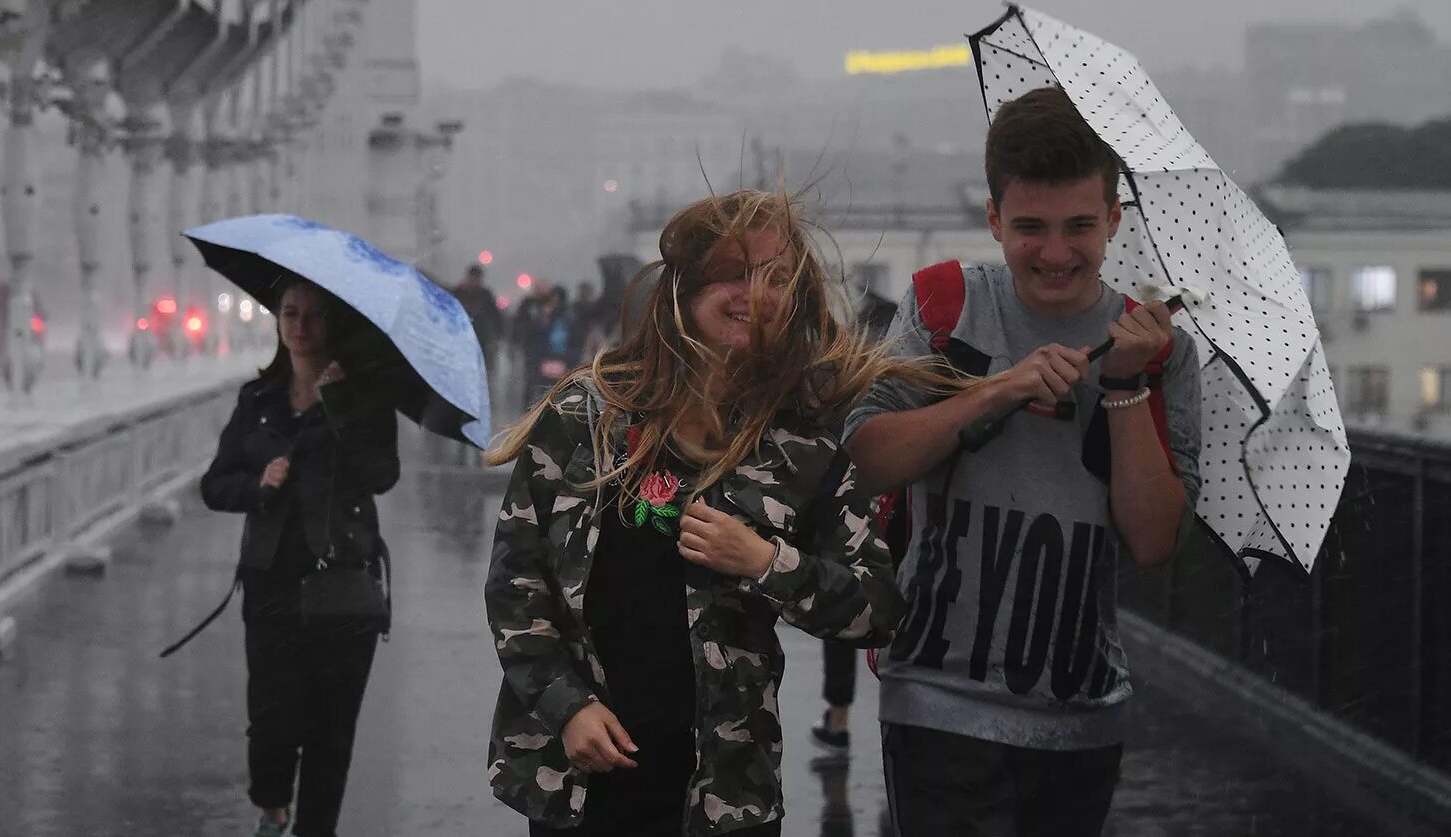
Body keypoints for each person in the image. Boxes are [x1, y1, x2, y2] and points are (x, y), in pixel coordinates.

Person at [483, 189, 959, 836]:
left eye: (777, 277)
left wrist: (766, 561)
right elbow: (517, 588)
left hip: (727, 796)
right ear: (685, 287)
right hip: (582, 785)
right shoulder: (586, 418)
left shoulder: (804, 448)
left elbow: (877, 609)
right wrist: (568, 707)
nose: (756, 294)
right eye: (736, 273)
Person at [844, 86, 1202, 836]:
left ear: (1113, 220)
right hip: (939, 699)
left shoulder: (1156, 347)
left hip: (1082, 714)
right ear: (994, 220)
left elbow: (1153, 538)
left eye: (1079, 226)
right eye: (1031, 227)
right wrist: (993, 390)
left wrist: (1127, 386)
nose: (1056, 252)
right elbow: (868, 459)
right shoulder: (945, 309)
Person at [200, 277, 400, 837]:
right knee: (270, 721)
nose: (300, 326)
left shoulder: (362, 397)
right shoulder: (258, 400)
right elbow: (215, 485)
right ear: (277, 322)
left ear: (331, 325)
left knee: (331, 731)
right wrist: (257, 485)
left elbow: (382, 475)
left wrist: (340, 405)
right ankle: (272, 808)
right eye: (290, 313)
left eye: (313, 316)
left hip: (343, 585)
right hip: (270, 586)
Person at [809, 263, 901, 763]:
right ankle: (900, 722)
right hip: (900, 507)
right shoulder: (908, 371)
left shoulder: (840, 369)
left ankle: (839, 719)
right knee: (895, 612)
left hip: (846, 504)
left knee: (843, 607)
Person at [453, 264, 505, 379]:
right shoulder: (458, 293)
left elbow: (495, 317)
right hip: (462, 338)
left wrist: (497, 336)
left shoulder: (485, 295)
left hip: (481, 338)